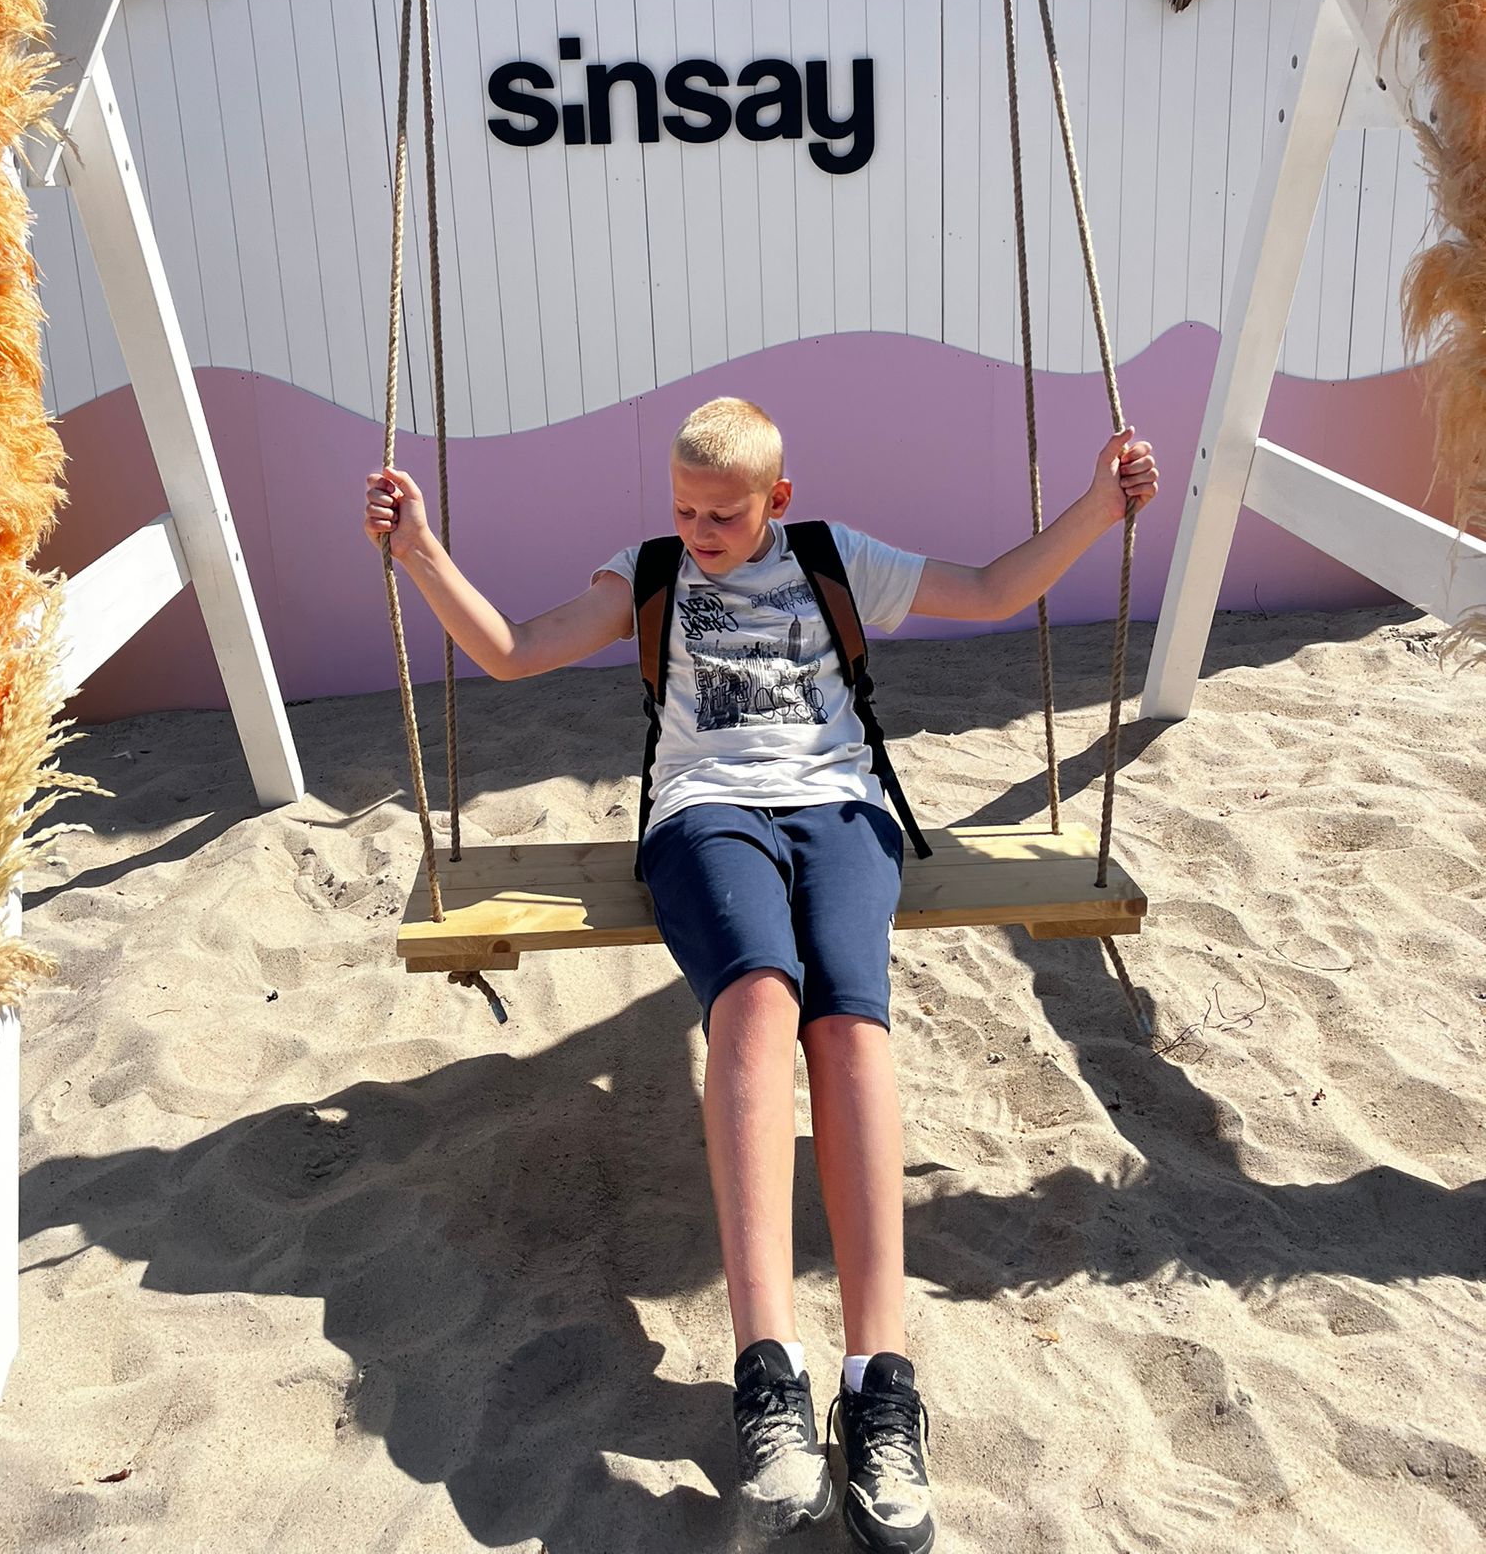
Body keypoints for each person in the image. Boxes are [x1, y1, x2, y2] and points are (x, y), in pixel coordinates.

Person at [364, 397, 1159, 1550]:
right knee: (755, 998)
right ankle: (770, 1373)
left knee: (850, 1027)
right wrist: (421, 551)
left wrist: (1096, 504)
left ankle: (881, 1380)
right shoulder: (647, 572)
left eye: (724, 514)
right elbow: (512, 649)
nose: (700, 531)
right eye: (684, 509)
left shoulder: (835, 557)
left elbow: (993, 590)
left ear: (777, 499)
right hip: (706, 814)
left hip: (840, 808)